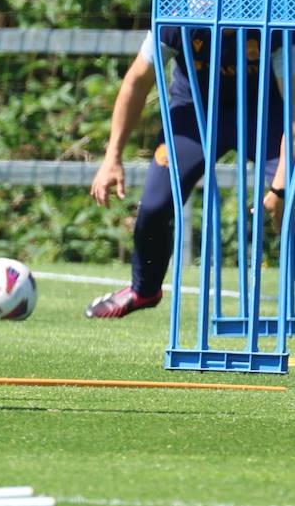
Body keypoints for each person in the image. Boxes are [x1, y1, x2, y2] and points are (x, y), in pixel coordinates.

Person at [86, 26, 287, 318]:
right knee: (154, 207)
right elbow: (137, 82)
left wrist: (281, 188)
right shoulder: (176, 20)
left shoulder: (275, 23)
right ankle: (144, 290)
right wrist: (112, 156)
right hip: (194, 114)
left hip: (265, 113)